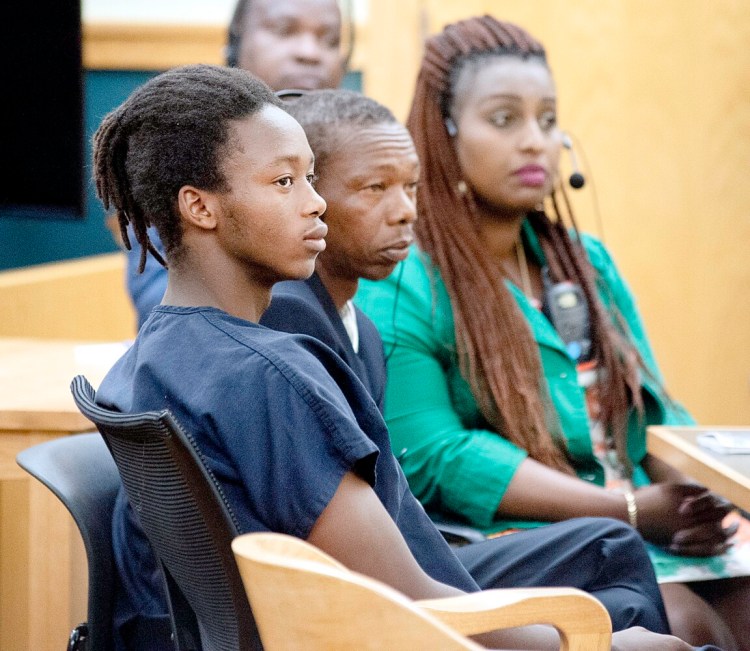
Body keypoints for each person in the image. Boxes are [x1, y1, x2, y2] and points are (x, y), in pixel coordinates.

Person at [92, 65, 702, 650]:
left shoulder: (148, 357)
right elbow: (404, 598)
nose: (315, 203)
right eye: (284, 182)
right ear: (200, 207)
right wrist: (594, 645)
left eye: (311, 178)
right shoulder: (271, 376)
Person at [355, 15, 749, 650]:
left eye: (548, 118)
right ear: (444, 134)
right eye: (505, 119)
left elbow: (654, 413)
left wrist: (696, 500)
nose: (536, 141)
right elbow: (434, 455)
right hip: (515, 545)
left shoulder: (584, 261)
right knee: (685, 626)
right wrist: (627, 511)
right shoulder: (402, 276)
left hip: (642, 521)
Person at [126, 0, 348, 328]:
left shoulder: (360, 153)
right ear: (235, 45)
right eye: (285, 31)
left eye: (329, 39)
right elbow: (164, 305)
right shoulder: (186, 147)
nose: (310, 53)